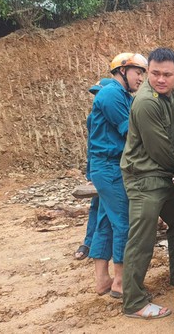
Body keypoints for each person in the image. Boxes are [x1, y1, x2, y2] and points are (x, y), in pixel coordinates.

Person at [120, 47, 174, 319]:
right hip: (144, 177)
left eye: (167, 74)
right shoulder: (147, 102)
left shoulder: (172, 96)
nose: (161, 79)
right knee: (142, 239)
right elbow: (161, 151)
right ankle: (133, 302)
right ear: (148, 72)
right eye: (155, 73)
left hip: (160, 176)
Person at [88, 53, 147, 298]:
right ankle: (121, 283)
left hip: (105, 166)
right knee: (123, 222)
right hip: (111, 166)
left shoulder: (119, 95)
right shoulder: (112, 94)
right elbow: (131, 132)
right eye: (138, 72)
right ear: (122, 70)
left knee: (105, 222)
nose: (141, 78)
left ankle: (102, 279)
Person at [75, 78, 114, 260]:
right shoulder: (93, 118)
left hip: (111, 167)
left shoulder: (116, 112)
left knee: (106, 207)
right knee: (96, 205)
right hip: (101, 167)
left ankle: (96, 244)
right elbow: (92, 147)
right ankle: (88, 242)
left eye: (100, 94)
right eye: (96, 95)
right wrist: (90, 172)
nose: (97, 99)